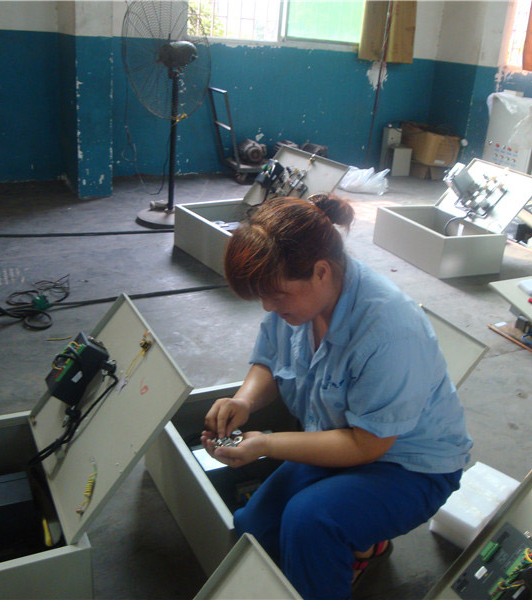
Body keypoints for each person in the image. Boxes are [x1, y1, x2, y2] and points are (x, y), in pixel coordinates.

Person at [201, 194, 473, 599]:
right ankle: (362, 545)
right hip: (340, 441)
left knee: (311, 523)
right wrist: (243, 401)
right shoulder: (297, 305)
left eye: (276, 294)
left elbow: (368, 444)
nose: (268, 306)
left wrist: (266, 445)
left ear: (321, 271)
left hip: (411, 465)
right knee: (253, 526)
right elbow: (271, 361)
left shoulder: (388, 330)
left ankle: (351, 547)